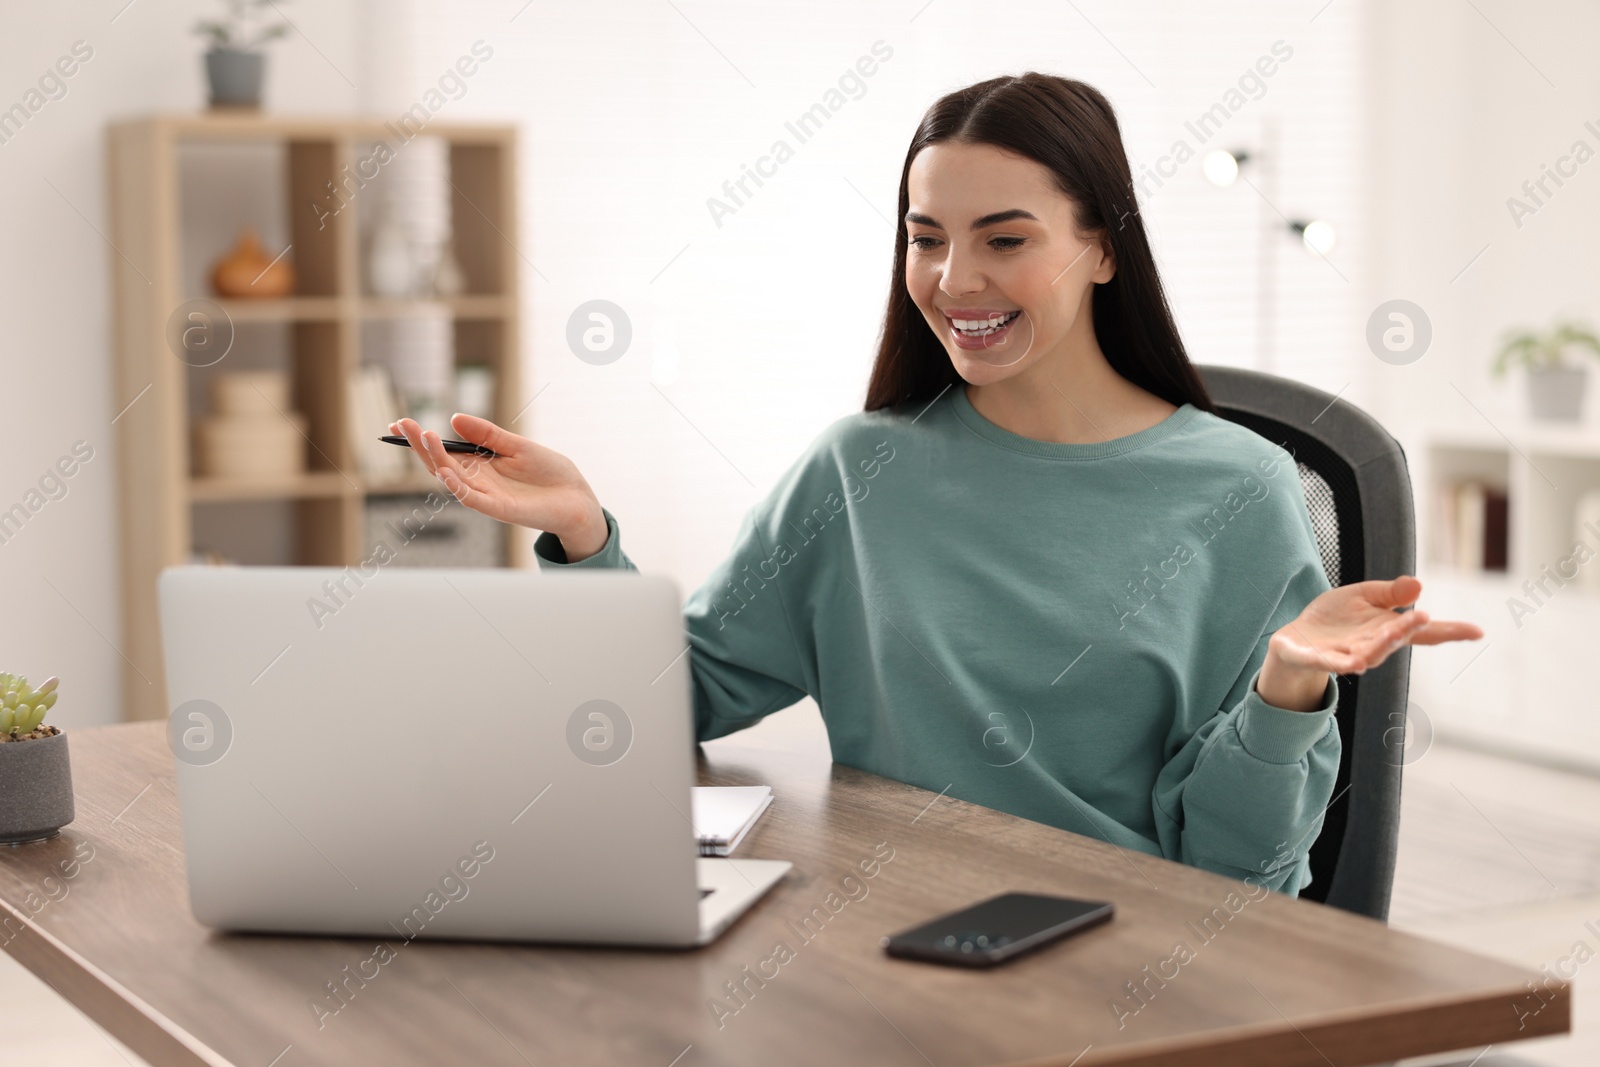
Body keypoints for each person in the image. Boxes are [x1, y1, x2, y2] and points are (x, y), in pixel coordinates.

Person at [390, 73, 1481, 896]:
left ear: (1103, 248)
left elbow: (1239, 873)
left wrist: (1286, 686)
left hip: (1120, 965)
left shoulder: (1241, 491)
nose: (955, 281)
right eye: (926, 239)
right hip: (881, 941)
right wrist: (585, 534)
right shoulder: (858, 469)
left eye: (1005, 239)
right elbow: (674, 701)